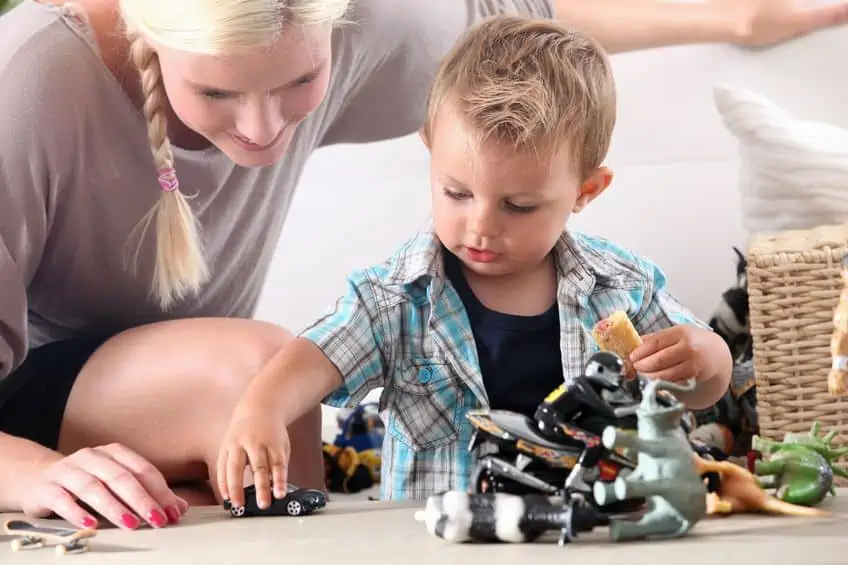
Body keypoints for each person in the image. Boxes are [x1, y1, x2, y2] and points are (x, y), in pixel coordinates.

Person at [0, 0, 840, 532]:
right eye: (217, 94)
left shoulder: (360, 23)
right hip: (24, 407)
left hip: (166, 390)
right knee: (258, 373)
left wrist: (741, 15)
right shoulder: (27, 81)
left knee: (255, 410)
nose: (260, 129)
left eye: (298, 82)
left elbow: (521, 19)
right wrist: (39, 471)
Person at [216, 14, 735, 508]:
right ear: (430, 151)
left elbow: (706, 386)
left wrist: (706, 358)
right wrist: (262, 408)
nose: (482, 226)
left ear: (586, 190)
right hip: (443, 539)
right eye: (457, 193)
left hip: (593, 530)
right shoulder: (397, 302)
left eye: (519, 206)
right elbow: (317, 355)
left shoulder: (622, 287)